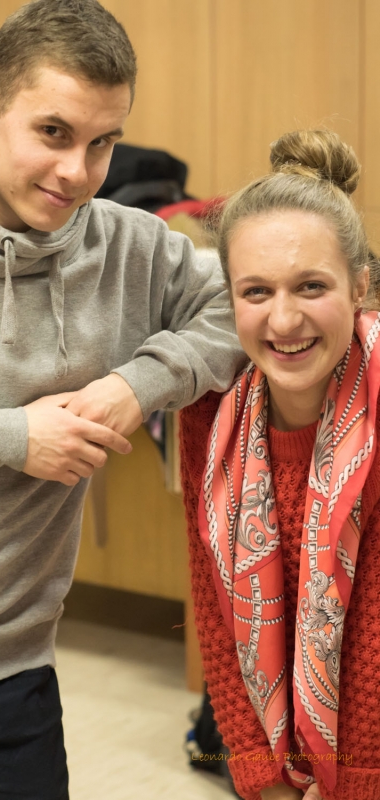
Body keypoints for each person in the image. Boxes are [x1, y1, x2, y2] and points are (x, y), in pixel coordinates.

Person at [0, 1, 244, 798]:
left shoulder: (128, 245)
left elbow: (241, 309)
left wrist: (137, 385)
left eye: (103, 142)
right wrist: (11, 438)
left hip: (14, 668)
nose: (77, 172)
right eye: (54, 133)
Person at [180, 129, 380, 800]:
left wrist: (353, 783)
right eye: (257, 291)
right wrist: (261, 777)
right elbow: (216, 621)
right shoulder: (210, 419)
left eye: (311, 286)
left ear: (359, 286)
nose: (284, 319)